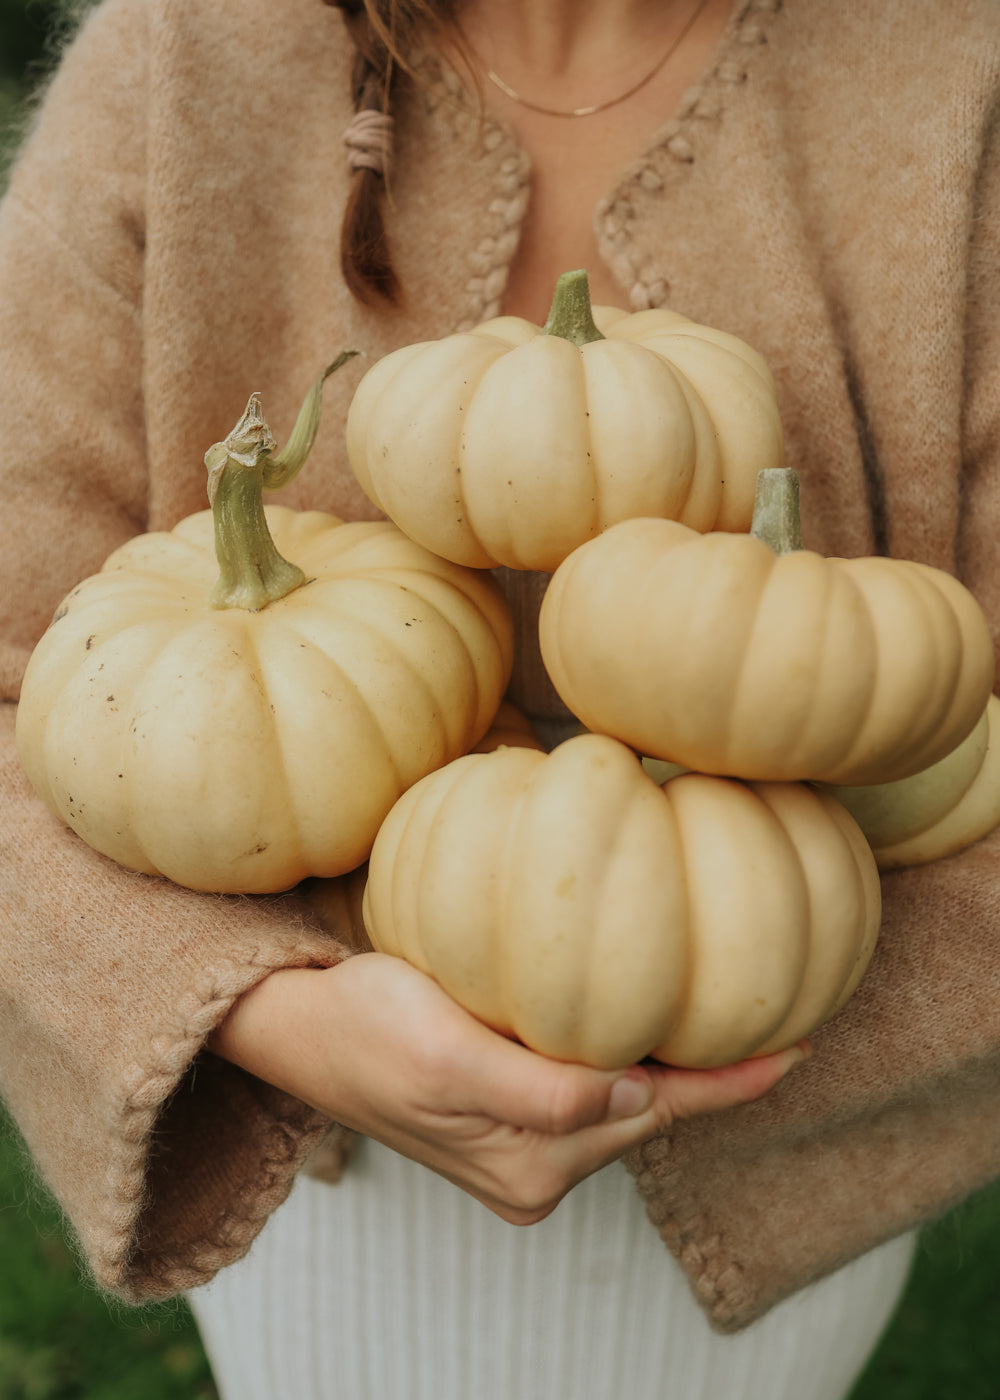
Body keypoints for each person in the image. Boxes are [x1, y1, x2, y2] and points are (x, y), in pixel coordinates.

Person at [1, 0, 998, 1395]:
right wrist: (261, 1017)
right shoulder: (186, 54)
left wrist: (731, 997)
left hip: (783, 1195)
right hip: (315, 1193)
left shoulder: (963, 75)